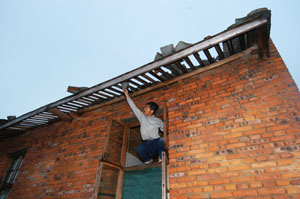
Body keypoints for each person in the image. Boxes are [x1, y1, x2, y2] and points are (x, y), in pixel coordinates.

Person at [122, 88, 164, 164]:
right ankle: (148, 159)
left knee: (162, 140)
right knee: (139, 148)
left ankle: (161, 157)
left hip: (156, 142)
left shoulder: (158, 121)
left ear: (151, 111)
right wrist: (126, 94)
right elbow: (134, 107)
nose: (144, 109)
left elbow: (164, 129)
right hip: (146, 144)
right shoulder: (142, 117)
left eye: (146, 108)